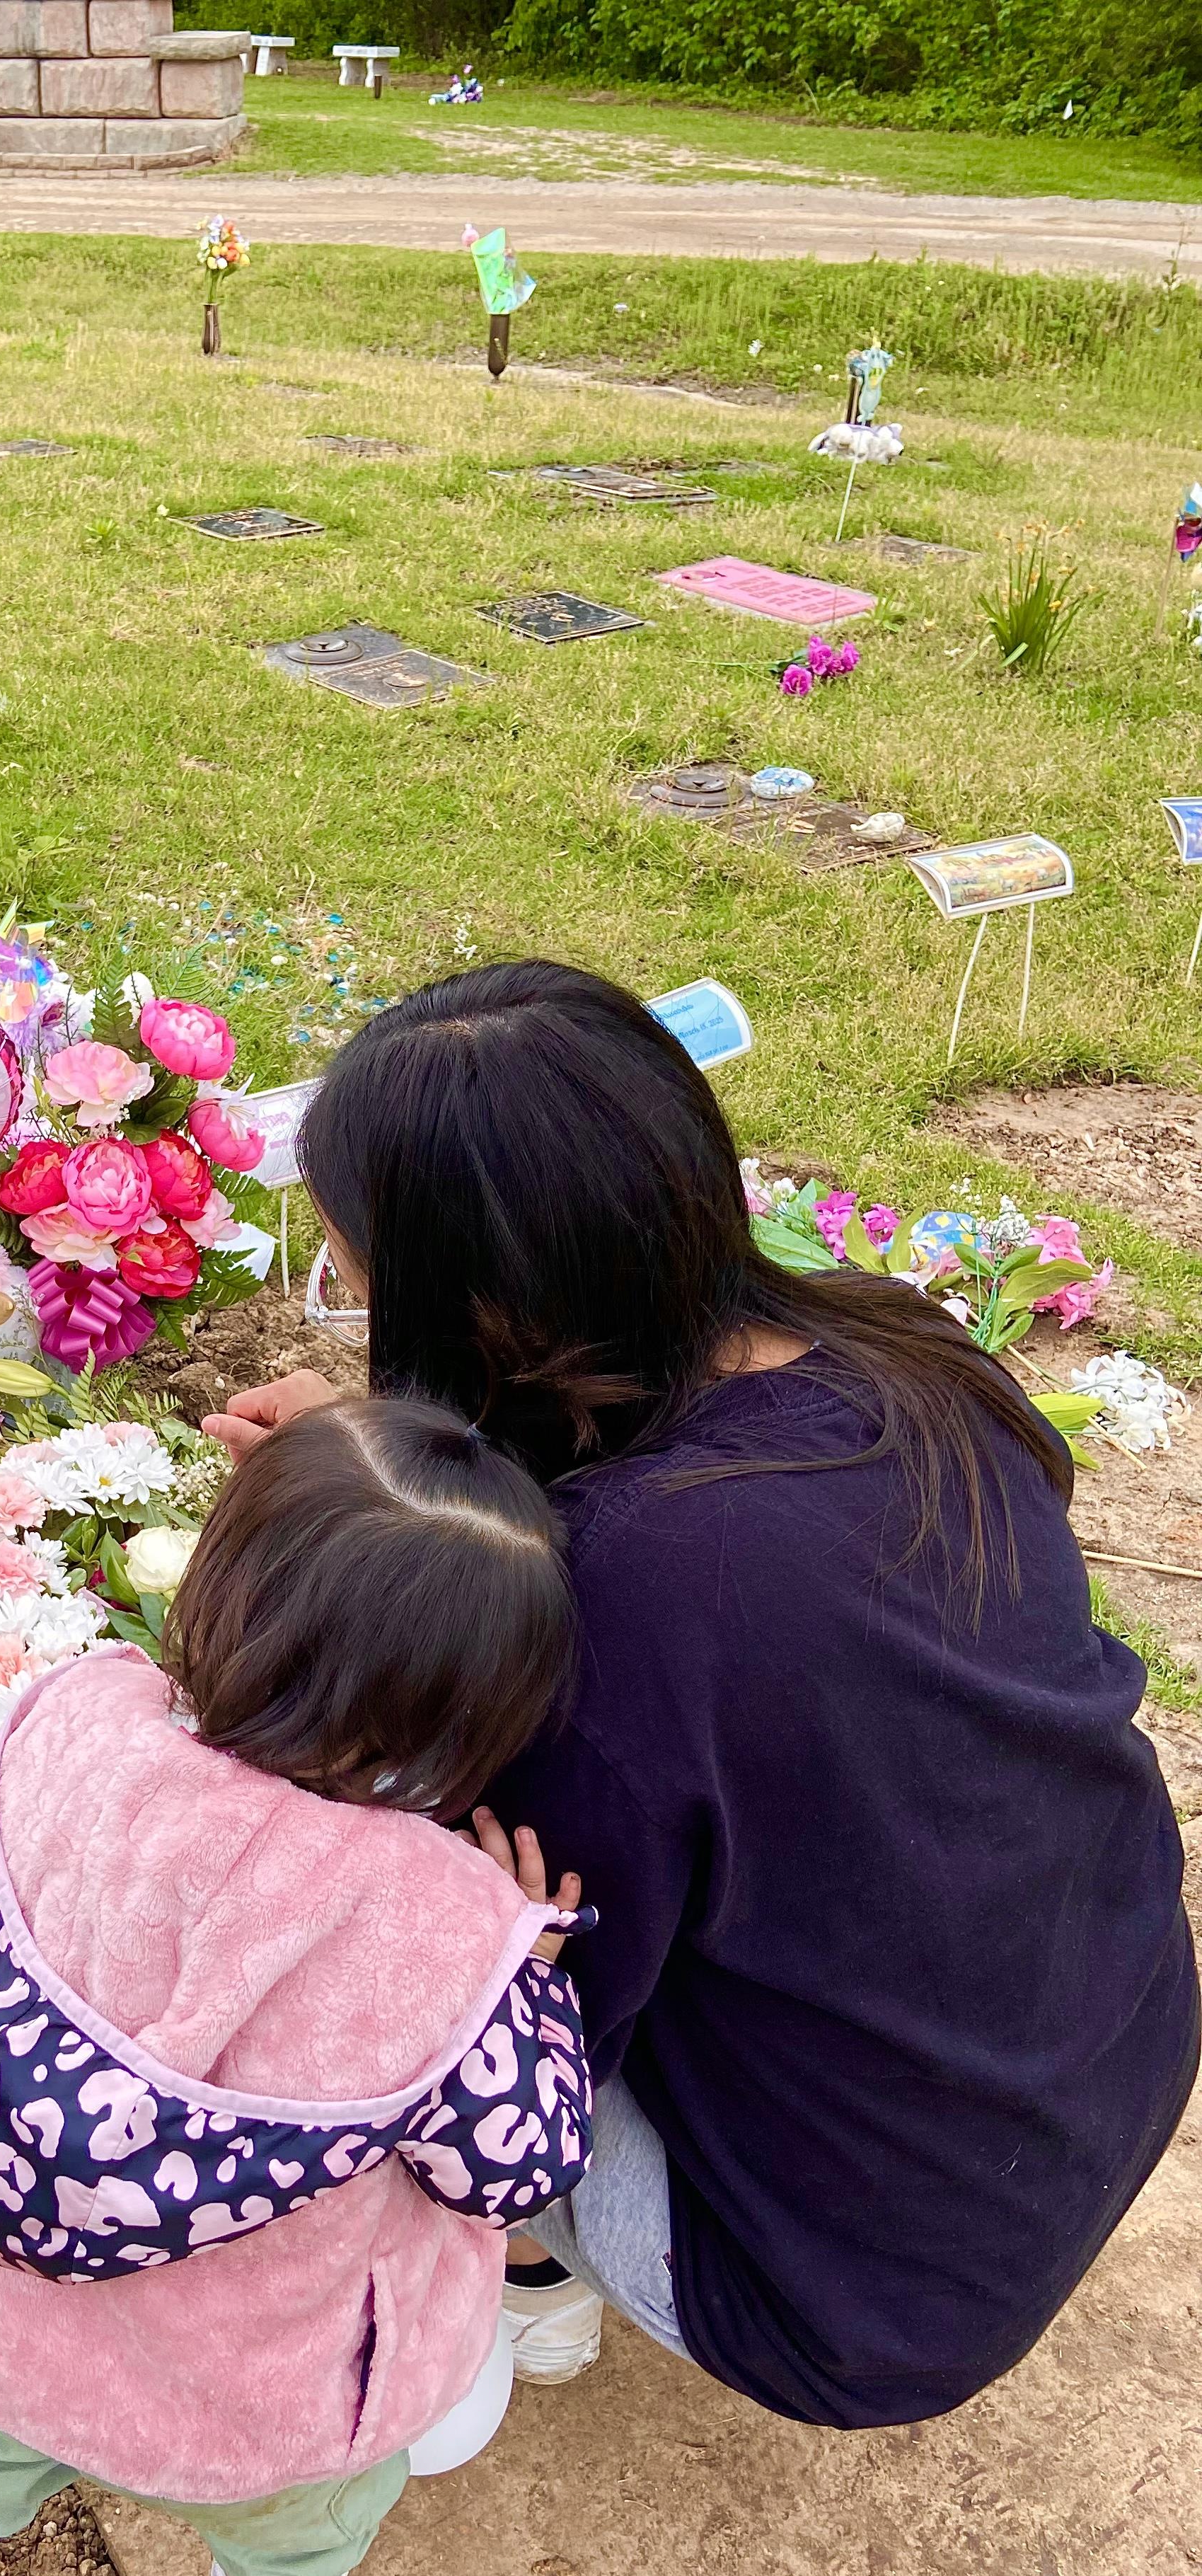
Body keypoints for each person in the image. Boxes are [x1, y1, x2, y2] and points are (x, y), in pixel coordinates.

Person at [210, 959, 1198, 2430]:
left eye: (360, 1270)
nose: (348, 1288)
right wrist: (392, 1458)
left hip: (853, 2304)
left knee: (403, 1943)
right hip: (1102, 2065)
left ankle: (491, 2310)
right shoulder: (897, 1351)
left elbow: (526, 2042)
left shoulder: (617, 1595)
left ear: (478, 1305)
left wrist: (359, 1551)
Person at [0, 1398, 592, 2576]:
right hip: (265, 2389)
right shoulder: (444, 1933)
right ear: (476, 1717)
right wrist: (528, 1972)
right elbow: (517, 2168)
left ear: (223, 1579)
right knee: (303, 2517)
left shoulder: (65, 1722)